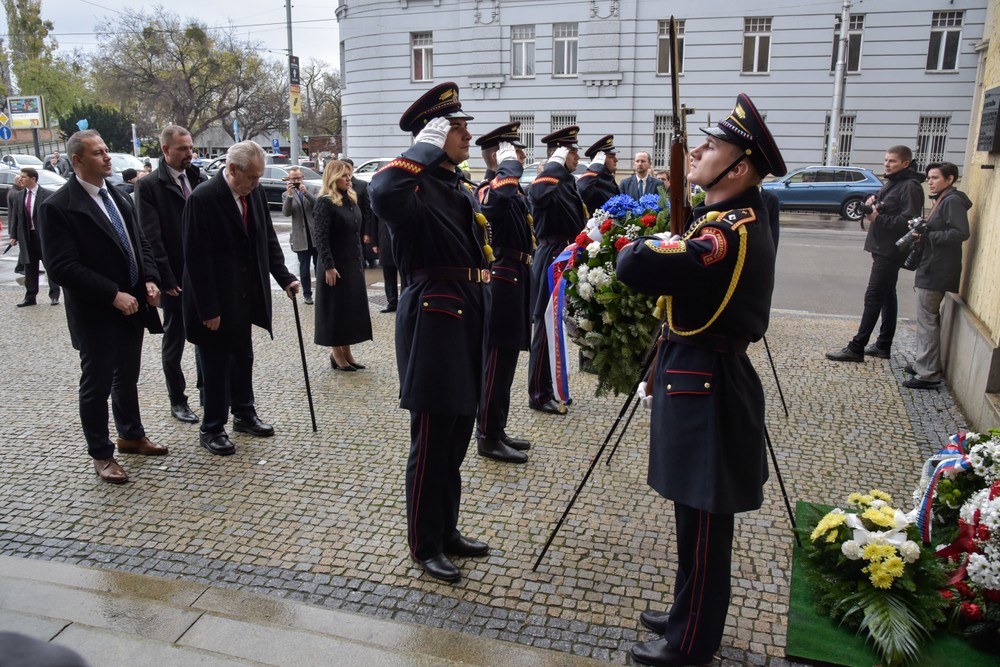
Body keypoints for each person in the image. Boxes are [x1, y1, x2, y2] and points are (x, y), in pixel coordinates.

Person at [616, 93, 785, 667]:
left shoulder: (726, 232)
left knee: (706, 523)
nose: (701, 150)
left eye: (713, 147)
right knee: (691, 514)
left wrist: (652, 239)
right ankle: (686, 610)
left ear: (738, 168)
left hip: (709, 380)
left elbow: (636, 264)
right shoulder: (731, 215)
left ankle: (691, 643)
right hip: (698, 373)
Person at [368, 82, 491, 583]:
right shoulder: (412, 185)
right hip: (435, 319)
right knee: (432, 438)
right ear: (436, 133)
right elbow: (380, 189)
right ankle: (423, 542)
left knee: (457, 433)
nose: (466, 135)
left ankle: (446, 529)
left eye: (460, 127)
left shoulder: (452, 183)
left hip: (465, 313)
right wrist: (424, 145)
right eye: (457, 128)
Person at [38, 129, 166, 484]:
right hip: (96, 313)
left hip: (132, 307)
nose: (107, 157)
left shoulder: (117, 196)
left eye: (107, 151)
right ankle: (101, 453)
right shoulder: (58, 206)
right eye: (98, 153)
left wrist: (149, 281)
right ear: (77, 160)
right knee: (96, 385)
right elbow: (62, 266)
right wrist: (112, 294)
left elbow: (139, 243)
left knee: (127, 378)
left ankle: (131, 435)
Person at [181, 140, 299, 457]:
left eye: (259, 177)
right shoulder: (203, 199)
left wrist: (285, 276)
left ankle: (244, 415)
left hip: (244, 296)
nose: (257, 184)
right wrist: (208, 308)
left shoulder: (254, 194)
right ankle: (212, 428)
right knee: (216, 366)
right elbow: (196, 259)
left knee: (243, 358)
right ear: (232, 170)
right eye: (252, 177)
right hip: (215, 301)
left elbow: (267, 240)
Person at [136, 124, 207, 424]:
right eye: (183, 149)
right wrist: (165, 278)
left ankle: (208, 390)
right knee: (174, 338)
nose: (189, 153)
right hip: (174, 278)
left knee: (207, 333)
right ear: (166, 150)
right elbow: (151, 237)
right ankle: (177, 399)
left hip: (202, 273)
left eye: (191, 147)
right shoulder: (150, 186)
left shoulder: (198, 177)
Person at [826, 145, 925, 362]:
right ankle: (883, 345)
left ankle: (856, 347)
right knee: (887, 296)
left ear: (905, 163)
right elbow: (887, 202)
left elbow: (909, 222)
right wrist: (872, 199)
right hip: (883, 247)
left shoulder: (910, 186)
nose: (887, 164)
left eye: (892, 161)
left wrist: (877, 218)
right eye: (886, 160)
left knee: (873, 297)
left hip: (890, 250)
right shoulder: (896, 182)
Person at [473, 122, 533, 465]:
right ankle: (487, 436)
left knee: (507, 361)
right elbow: (496, 203)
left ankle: (498, 428)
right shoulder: (487, 189)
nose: (522, 156)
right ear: (499, 155)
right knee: (496, 362)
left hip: (517, 278)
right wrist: (505, 168)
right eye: (514, 150)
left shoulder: (511, 189)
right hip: (502, 280)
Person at [526, 125, 587, 415]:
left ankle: (551, 386)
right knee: (544, 327)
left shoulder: (566, 182)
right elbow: (537, 193)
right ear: (560, 154)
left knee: (556, 328)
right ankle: (538, 393)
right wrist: (554, 164)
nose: (577, 155)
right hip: (550, 256)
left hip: (564, 255)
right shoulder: (547, 180)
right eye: (572, 151)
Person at [902, 162, 970, 389]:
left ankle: (928, 374)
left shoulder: (952, 201)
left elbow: (960, 233)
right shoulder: (944, 199)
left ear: (950, 179)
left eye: (935, 178)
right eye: (929, 178)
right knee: (926, 320)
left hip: (937, 268)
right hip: (932, 265)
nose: (929, 182)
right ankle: (924, 364)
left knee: (928, 320)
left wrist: (928, 235)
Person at [313, 159, 372, 370]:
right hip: (335, 266)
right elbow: (320, 237)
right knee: (336, 310)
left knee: (349, 310)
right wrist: (329, 266)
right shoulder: (325, 202)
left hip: (352, 263)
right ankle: (336, 353)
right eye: (344, 176)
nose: (349, 179)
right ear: (333, 177)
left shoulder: (350, 199)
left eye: (350, 175)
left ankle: (347, 351)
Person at [9, 168, 61, 307]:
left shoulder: (48, 195)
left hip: (44, 237)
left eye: (24, 177)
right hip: (27, 237)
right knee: (30, 267)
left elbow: (55, 217)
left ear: (33, 179)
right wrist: (13, 235)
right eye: (20, 176)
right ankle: (30, 297)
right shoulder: (19, 196)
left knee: (50, 266)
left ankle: (54, 295)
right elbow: (15, 217)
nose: (20, 179)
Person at [281, 165, 318, 305]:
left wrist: (306, 193)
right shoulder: (286, 194)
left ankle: (321, 292)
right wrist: (290, 196)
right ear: (289, 179)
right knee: (304, 268)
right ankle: (307, 294)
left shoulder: (312, 189)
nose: (296, 180)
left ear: (303, 177)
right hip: (300, 237)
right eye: (293, 178)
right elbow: (286, 213)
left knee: (318, 266)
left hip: (315, 235)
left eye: (298, 178)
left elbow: (318, 205)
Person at [577, 134, 621, 214]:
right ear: (601, 160)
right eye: (611, 156)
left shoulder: (608, 179)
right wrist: (596, 167)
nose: (616, 159)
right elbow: (581, 189)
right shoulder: (594, 183)